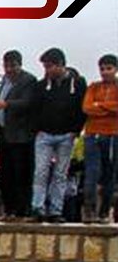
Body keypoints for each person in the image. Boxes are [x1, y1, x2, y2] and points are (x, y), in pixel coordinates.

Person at [30, 48, 86, 223]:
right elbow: (34, 108)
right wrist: (37, 129)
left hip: (66, 135)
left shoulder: (77, 83)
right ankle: (38, 207)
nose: (47, 71)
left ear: (61, 65)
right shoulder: (41, 85)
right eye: (45, 67)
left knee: (61, 174)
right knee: (41, 171)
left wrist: (76, 129)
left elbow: (82, 108)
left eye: (50, 67)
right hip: (44, 135)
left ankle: (56, 209)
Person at [0, 50, 38, 221]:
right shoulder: (4, 81)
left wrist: (6, 104)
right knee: (5, 175)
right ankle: (9, 209)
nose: (9, 69)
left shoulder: (28, 80)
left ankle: (23, 210)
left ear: (19, 65)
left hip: (21, 136)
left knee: (21, 174)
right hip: (5, 135)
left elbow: (28, 103)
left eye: (12, 66)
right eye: (6, 66)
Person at [81, 53, 118, 224]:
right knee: (92, 172)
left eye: (108, 69)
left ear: (115, 70)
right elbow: (87, 108)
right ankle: (89, 210)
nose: (105, 72)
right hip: (92, 134)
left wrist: (100, 105)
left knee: (109, 174)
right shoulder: (93, 87)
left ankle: (104, 212)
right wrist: (108, 109)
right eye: (102, 69)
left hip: (113, 134)